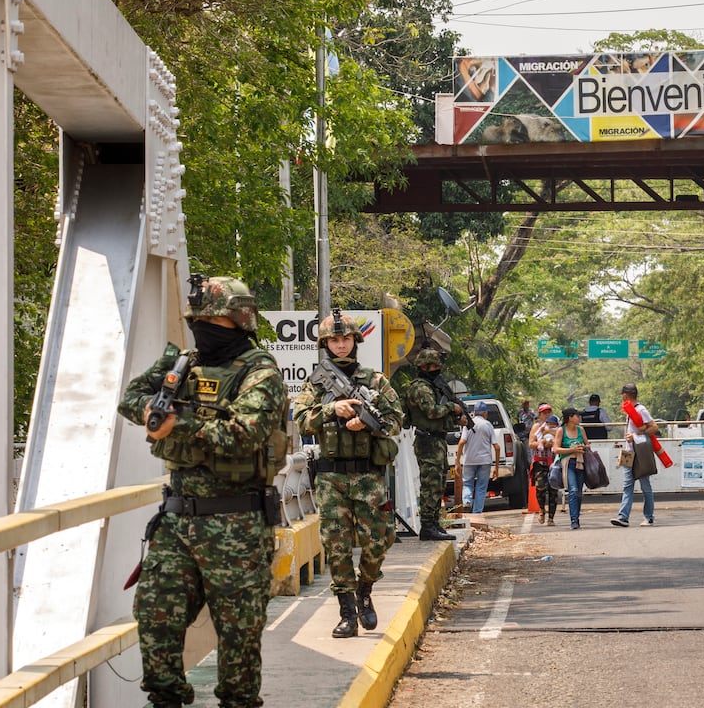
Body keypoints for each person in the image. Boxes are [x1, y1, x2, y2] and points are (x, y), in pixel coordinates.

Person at [117, 275, 287, 708]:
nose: (201, 329)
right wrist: (156, 411)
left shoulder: (260, 372)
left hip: (236, 524)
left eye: (211, 322)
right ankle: (166, 699)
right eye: (196, 321)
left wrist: (178, 424)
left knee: (238, 638)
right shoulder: (181, 364)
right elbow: (131, 397)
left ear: (239, 321)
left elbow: (245, 435)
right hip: (176, 521)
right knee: (155, 616)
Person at [293, 311, 403, 638]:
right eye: (334, 340)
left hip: (368, 475)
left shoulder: (375, 381)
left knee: (380, 539)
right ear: (325, 344)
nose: (340, 345)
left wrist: (367, 424)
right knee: (336, 545)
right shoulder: (315, 383)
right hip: (331, 477)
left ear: (356, 341)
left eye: (345, 339)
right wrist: (332, 409)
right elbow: (301, 420)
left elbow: (395, 420)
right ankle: (347, 613)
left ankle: (365, 590)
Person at [403, 348, 467, 541]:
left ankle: (433, 522)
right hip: (427, 441)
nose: (437, 370)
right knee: (430, 485)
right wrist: (451, 407)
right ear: (425, 366)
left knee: (438, 484)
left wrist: (456, 419)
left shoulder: (431, 387)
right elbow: (431, 411)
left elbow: (437, 417)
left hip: (437, 440)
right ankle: (427, 526)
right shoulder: (420, 388)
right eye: (433, 366)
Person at [614, 383, 659, 527]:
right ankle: (623, 517)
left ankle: (649, 516)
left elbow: (654, 427)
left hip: (640, 452)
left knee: (645, 485)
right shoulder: (629, 410)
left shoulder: (641, 410)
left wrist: (636, 435)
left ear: (625, 395)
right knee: (627, 485)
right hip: (628, 452)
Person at [455, 402, 501, 515]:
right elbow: (497, 447)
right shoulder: (488, 425)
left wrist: (457, 461)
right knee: (481, 487)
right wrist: (496, 467)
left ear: (475, 413)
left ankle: (467, 501)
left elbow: (461, 443)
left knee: (467, 484)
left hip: (469, 460)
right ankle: (477, 513)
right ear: (485, 413)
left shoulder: (468, 424)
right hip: (485, 461)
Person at [552, 407, 588, 529]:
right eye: (577, 415)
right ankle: (574, 520)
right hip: (568, 463)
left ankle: (576, 516)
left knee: (579, 493)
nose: (579, 418)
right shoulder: (561, 430)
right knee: (573, 490)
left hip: (580, 462)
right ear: (570, 418)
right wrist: (572, 450)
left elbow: (587, 444)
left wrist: (583, 447)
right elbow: (556, 449)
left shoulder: (580, 429)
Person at [529, 412, 560, 525]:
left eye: (548, 412)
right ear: (540, 415)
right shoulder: (537, 427)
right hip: (540, 462)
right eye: (544, 413)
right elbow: (531, 444)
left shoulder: (558, 428)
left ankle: (551, 518)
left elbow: (561, 439)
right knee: (540, 487)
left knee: (553, 490)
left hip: (554, 463)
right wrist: (541, 444)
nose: (546, 415)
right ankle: (542, 509)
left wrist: (551, 440)